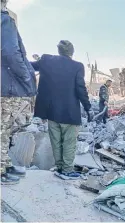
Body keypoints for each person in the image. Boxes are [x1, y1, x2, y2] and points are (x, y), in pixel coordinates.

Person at [31, 40, 94, 179]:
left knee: (56, 142)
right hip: (70, 114)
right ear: (72, 52)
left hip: (51, 112)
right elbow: (80, 88)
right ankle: (67, 170)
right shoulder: (77, 66)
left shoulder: (46, 60)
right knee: (69, 143)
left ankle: (59, 167)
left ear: (59, 50)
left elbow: (29, 66)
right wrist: (88, 107)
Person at [1, 0, 37, 185]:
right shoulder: (4, 20)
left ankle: (4, 164)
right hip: (6, 87)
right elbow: (10, 52)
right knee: (3, 128)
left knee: (4, 129)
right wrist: (25, 77)